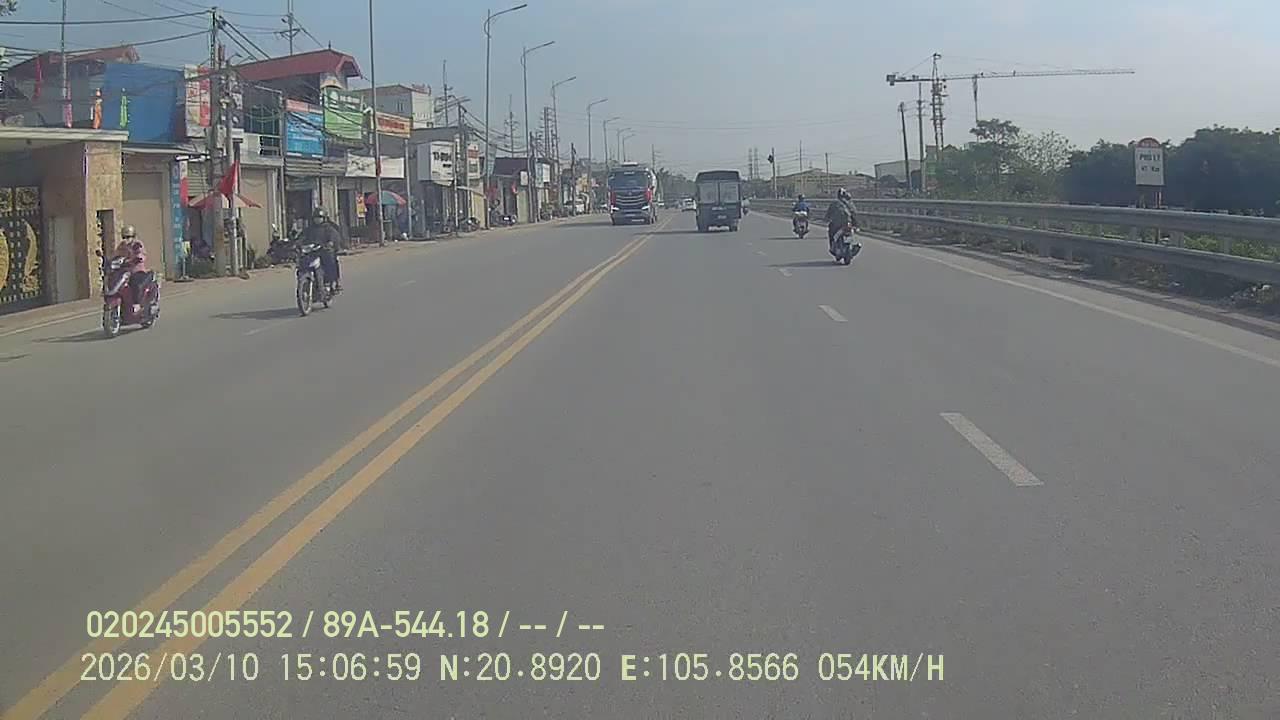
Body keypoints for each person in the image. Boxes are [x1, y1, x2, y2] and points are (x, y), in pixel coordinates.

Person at [303, 207, 343, 292]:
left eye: (320, 217)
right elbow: (302, 237)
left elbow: (334, 237)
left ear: (324, 218)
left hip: (325, 251)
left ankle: (331, 282)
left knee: (330, 260)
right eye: (316, 218)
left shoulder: (329, 228)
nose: (317, 220)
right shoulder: (309, 229)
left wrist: (330, 243)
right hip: (312, 252)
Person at [113, 226, 150, 311]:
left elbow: (140, 254)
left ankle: (137, 303)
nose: (126, 239)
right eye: (124, 237)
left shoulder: (137, 244)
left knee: (135, 282)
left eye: (129, 237)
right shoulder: (121, 246)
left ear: (133, 236)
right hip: (124, 271)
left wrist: (137, 258)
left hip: (137, 270)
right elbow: (116, 255)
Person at [824, 188, 861, 256]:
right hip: (848, 224)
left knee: (831, 233)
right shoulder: (850, 204)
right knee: (851, 233)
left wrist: (826, 219)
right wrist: (856, 225)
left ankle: (833, 247)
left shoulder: (834, 204)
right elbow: (854, 214)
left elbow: (828, 214)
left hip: (836, 225)